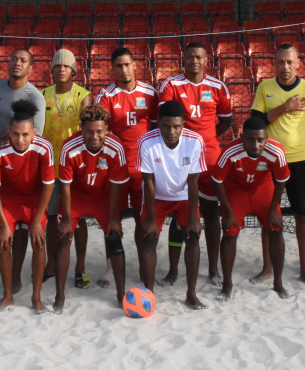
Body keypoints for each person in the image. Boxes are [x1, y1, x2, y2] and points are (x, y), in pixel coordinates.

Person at [251, 43, 305, 287]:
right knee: (267, 215)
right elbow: (256, 122)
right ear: (274, 64)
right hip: (269, 161)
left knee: (302, 215)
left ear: (298, 64)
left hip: (300, 161)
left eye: (290, 62)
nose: (285, 66)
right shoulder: (265, 87)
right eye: (280, 62)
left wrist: (301, 141)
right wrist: (286, 107)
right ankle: (267, 269)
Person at [158, 42, 232, 286]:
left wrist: (204, 139)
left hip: (209, 154)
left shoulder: (218, 87)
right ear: (183, 59)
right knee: (177, 212)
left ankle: (212, 268)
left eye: (198, 57)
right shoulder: (171, 85)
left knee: (211, 212)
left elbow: (225, 122)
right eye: (189, 57)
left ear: (206, 60)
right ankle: (172, 270)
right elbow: (165, 118)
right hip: (178, 154)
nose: (194, 61)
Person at [0, 48, 46, 290]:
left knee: (17, 225)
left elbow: (34, 139)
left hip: (16, 167)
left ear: (31, 68)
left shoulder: (35, 97)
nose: (17, 63)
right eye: (14, 59)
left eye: (23, 60)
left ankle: (15, 275)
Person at [53, 105, 130, 314]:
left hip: (105, 196)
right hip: (77, 196)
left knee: (114, 236)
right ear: (81, 129)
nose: (94, 136)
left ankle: (121, 293)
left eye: (99, 131)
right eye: (89, 131)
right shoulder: (69, 147)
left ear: (106, 129)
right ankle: (59, 296)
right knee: (62, 237)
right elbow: (65, 186)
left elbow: (116, 185)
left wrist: (113, 217)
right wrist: (67, 218)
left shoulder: (116, 148)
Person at [94, 47, 158, 287]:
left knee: (143, 220)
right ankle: (111, 268)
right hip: (117, 168)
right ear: (113, 69)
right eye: (119, 66)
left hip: (143, 168)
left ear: (135, 66)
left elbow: (155, 128)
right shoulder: (106, 95)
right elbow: (101, 133)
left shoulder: (150, 93)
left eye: (127, 64)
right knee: (114, 219)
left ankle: (144, 265)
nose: (124, 70)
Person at [137, 100, 207, 310]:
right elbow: (148, 181)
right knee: (149, 237)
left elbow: (194, 181)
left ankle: (191, 294)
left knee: (192, 237)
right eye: (166, 126)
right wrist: (150, 219)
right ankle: (148, 293)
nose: (171, 131)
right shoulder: (147, 141)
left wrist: (194, 218)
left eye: (176, 126)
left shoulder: (195, 141)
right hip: (157, 196)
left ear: (183, 124)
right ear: (158, 123)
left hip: (185, 196)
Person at [211, 117, 290, 301]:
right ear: (242, 137)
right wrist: (228, 211)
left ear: (266, 137)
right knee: (230, 232)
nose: (256, 144)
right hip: (236, 190)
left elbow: (281, 179)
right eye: (251, 140)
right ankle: (227, 284)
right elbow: (217, 180)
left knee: (276, 230)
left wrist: (273, 209)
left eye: (260, 140)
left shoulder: (276, 150)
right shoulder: (230, 150)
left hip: (263, 189)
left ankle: (278, 282)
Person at [0, 100, 54, 314]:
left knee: (39, 241)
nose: (20, 139)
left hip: (35, 200)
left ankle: (36, 297)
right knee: (4, 242)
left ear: (34, 133)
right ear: (9, 131)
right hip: (8, 200)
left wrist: (37, 220)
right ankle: (8, 295)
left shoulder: (44, 147)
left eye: (25, 134)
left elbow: (48, 185)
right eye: (15, 134)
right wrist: (4, 223)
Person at [40, 49, 94, 288]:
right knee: (52, 219)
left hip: (75, 166)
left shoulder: (84, 96)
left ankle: (79, 267)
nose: (61, 69)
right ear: (51, 70)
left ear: (74, 71)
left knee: (77, 219)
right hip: (50, 168)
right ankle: (51, 264)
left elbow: (88, 131)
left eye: (66, 66)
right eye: (57, 65)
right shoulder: (41, 95)